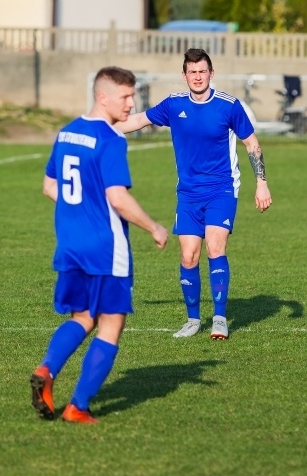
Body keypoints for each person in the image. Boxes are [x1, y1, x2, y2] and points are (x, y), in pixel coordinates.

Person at [31, 66, 169, 424]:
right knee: (111, 324)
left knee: (83, 317)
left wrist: (81, 207)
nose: (131, 103)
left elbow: (49, 187)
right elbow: (118, 199)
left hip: (70, 244)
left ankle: (46, 369)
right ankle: (78, 406)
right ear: (103, 96)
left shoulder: (66, 133)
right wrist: (154, 227)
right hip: (106, 248)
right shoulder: (110, 140)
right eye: (125, 96)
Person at [116, 48, 272, 340]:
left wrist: (261, 183)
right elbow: (137, 121)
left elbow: (252, 144)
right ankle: (192, 320)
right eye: (192, 72)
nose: (198, 77)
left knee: (215, 248)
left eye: (202, 71)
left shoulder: (229, 106)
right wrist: (99, 126)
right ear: (184, 75)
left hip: (221, 189)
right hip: (188, 193)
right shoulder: (173, 105)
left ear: (211, 74)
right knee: (188, 256)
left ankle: (220, 319)